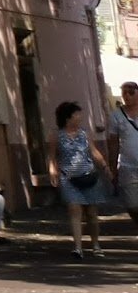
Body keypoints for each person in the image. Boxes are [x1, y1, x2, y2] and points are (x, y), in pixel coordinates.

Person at [56, 100, 105, 258]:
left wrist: (105, 167)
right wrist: (52, 171)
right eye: (77, 114)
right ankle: (78, 247)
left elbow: (93, 151)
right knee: (74, 210)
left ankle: (96, 245)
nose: (79, 117)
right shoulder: (57, 135)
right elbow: (52, 157)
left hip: (88, 177)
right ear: (67, 118)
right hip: (68, 178)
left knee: (91, 213)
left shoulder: (85, 133)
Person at [107, 82, 138, 229]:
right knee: (132, 204)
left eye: (131, 92)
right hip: (128, 166)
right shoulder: (116, 115)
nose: (127, 96)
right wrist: (112, 167)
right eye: (124, 93)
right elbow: (113, 143)